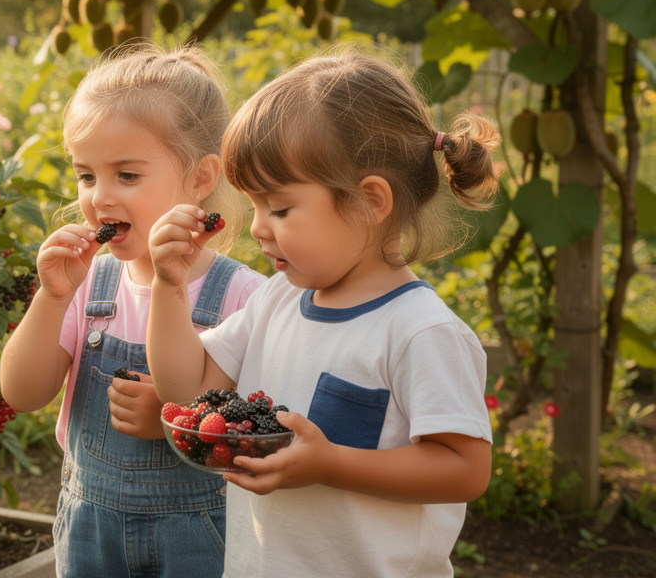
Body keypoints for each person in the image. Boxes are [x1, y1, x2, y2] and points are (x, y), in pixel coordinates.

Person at [145, 46, 498, 576]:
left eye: (279, 207)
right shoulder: (276, 300)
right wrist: (168, 288)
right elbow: (184, 391)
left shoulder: (419, 331)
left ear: (370, 201)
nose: (258, 227)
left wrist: (332, 463)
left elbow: (465, 469)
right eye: (255, 205)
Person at [0, 44, 265, 577]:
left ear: (201, 178)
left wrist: (175, 423)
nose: (99, 197)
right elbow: (22, 393)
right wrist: (51, 297)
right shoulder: (85, 287)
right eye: (86, 176)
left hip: (198, 540)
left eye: (126, 175)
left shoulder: (243, 297)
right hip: (90, 536)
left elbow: (255, 433)